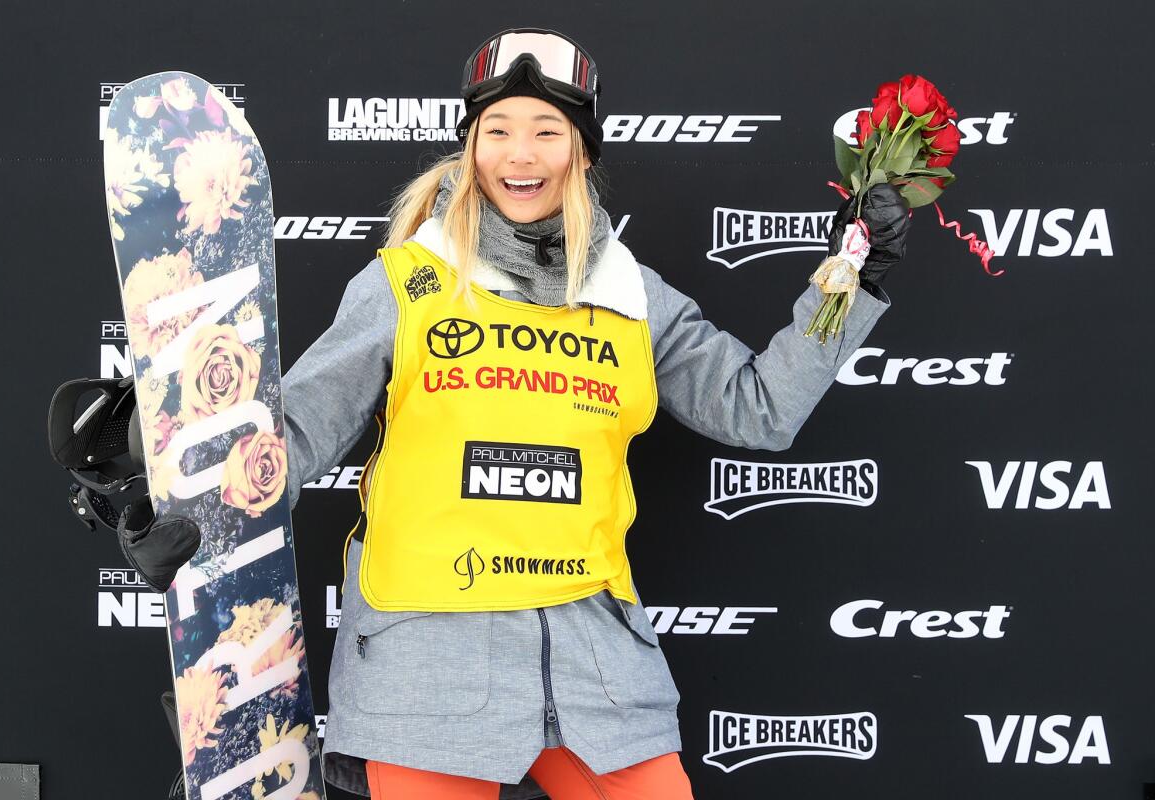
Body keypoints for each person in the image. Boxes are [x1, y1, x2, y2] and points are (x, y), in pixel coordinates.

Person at [281, 27, 908, 800]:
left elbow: (759, 409)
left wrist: (850, 281)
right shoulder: (408, 281)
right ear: (471, 147)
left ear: (581, 152)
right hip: (428, 664)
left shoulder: (627, 294)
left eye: (548, 132)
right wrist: (175, 478)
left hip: (596, 666)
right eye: (499, 131)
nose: (521, 154)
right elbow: (297, 429)